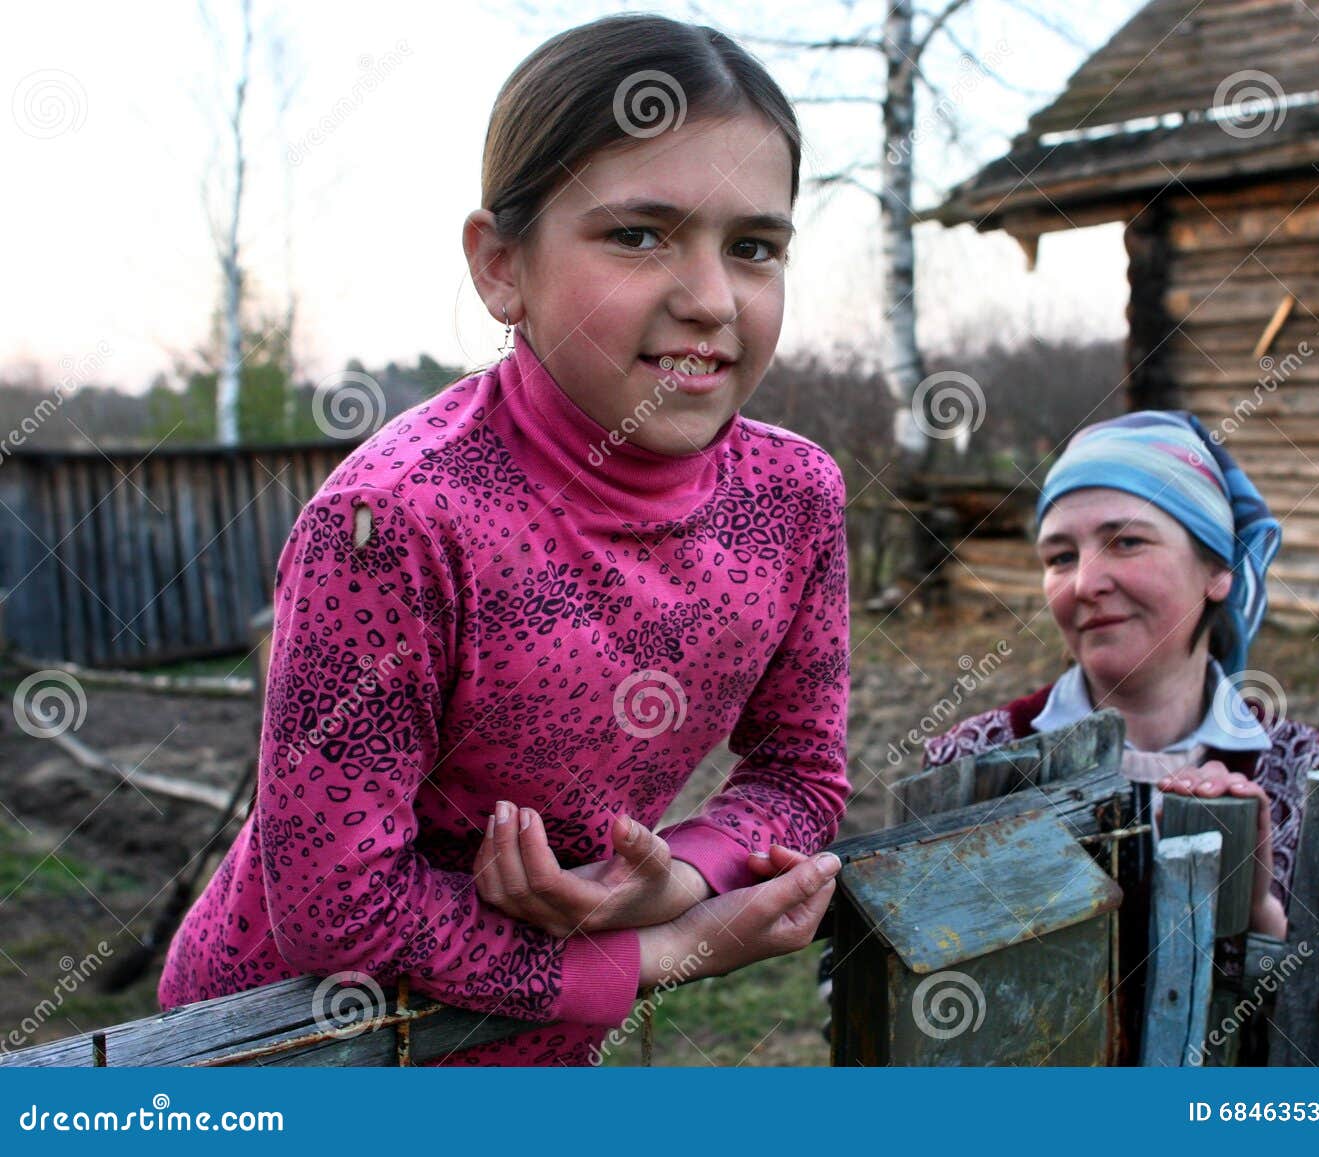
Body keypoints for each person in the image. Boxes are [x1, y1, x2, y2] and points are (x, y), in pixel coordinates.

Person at [158, 14, 848, 1067]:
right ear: (500, 266)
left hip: (531, 1059)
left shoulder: (793, 498)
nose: (710, 298)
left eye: (752, 246)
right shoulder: (397, 519)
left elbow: (800, 769)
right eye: (638, 234)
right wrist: (663, 951)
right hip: (288, 1046)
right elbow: (335, 908)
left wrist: (684, 870)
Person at [827, 410, 1319, 1065]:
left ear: (1217, 569)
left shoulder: (1303, 772)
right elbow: (858, 1001)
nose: (1085, 582)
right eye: (1060, 556)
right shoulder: (975, 758)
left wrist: (1263, 923)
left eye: (1126, 541)